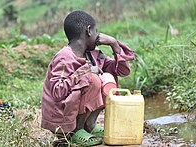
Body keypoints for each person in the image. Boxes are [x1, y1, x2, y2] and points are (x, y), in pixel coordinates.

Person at [41, 10, 135, 146]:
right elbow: (57, 91)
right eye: (96, 31)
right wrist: (85, 71)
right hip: (61, 119)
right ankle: (74, 131)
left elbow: (123, 71)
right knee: (93, 79)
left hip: (73, 114)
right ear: (89, 31)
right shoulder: (64, 57)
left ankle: (88, 125)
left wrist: (114, 44)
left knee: (108, 78)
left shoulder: (94, 55)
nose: (98, 36)